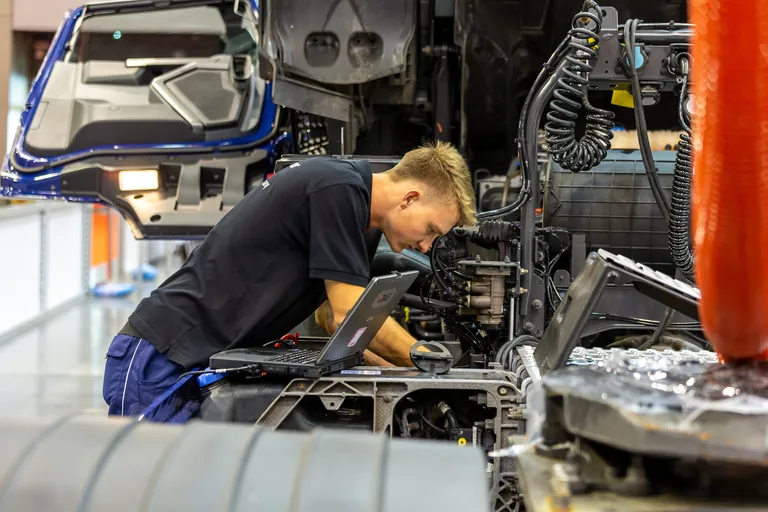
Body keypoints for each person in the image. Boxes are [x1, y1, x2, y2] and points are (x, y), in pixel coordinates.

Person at [102, 140, 477, 418]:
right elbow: (348, 314)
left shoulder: (361, 218)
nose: (426, 246)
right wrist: (425, 358)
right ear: (409, 197)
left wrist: (404, 377)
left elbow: (332, 319)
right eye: (431, 229)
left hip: (196, 361)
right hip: (160, 353)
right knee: (140, 482)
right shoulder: (338, 189)